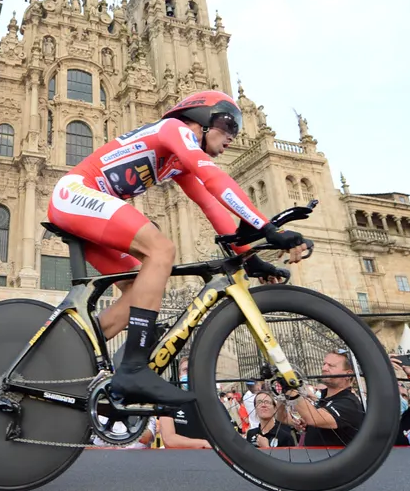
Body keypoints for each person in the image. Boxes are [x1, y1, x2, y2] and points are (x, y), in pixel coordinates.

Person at [47, 90, 311, 405]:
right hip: (74, 194)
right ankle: (133, 368)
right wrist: (268, 228)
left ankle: (70, 355)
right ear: (202, 118)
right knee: (160, 250)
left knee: (137, 291)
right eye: (227, 126)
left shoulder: (176, 162)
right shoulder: (173, 130)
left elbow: (211, 205)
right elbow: (213, 178)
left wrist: (251, 260)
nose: (231, 138)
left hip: (87, 210)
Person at [274, 350, 365, 447]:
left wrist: (291, 388)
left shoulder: (349, 402)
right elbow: (281, 418)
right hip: (315, 458)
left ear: (348, 375)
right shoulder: (323, 397)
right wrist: (283, 394)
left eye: (331, 366)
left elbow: (314, 418)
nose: (324, 368)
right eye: (324, 364)